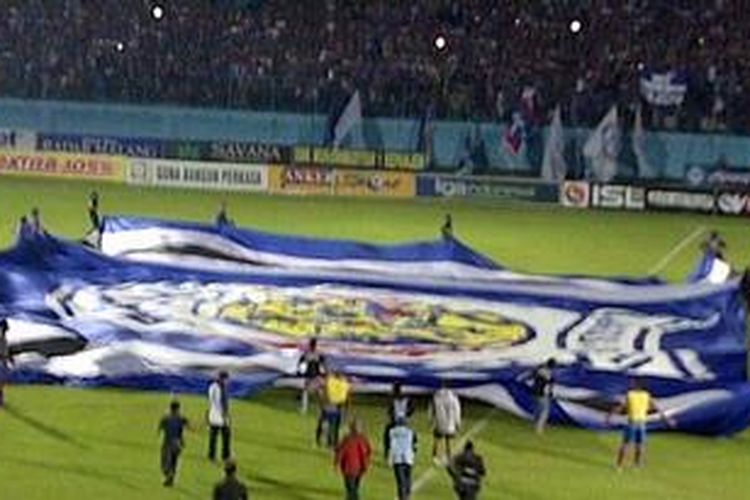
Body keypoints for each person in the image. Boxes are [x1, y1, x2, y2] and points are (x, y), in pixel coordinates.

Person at [606, 378, 676, 469]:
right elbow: (657, 409)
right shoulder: (646, 395)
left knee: (627, 444)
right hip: (641, 422)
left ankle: (620, 465)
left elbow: (621, 407)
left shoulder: (631, 394)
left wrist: (609, 416)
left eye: (634, 383)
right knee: (639, 444)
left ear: (636, 385)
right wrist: (667, 420)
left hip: (633, 422)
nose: (632, 384)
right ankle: (635, 465)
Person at [335, 418, 372, 500]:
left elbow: (340, 452)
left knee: (351, 489)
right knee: (354, 488)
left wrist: (337, 463)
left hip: (349, 468)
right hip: (358, 468)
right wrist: (366, 465)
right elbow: (368, 452)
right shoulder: (363, 439)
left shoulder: (347, 439)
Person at [316, 368, 351, 448]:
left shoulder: (330, 381)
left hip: (330, 404)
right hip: (337, 405)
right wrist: (347, 407)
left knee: (326, 423)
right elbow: (348, 396)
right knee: (333, 425)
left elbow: (320, 388)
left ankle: (324, 440)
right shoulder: (344, 383)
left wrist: (320, 399)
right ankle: (331, 442)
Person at [157, 400, 189, 487]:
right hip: (178, 443)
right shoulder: (181, 418)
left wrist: (159, 434)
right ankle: (171, 480)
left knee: (165, 462)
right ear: (178, 408)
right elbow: (190, 427)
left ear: (170, 408)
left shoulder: (165, 418)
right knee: (174, 462)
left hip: (167, 443)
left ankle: (168, 476)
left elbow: (160, 429)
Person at [430, 380, 461, 464]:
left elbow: (432, 409)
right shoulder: (454, 396)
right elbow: (457, 410)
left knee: (437, 439)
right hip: (450, 422)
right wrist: (458, 423)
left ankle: (435, 456)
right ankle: (448, 456)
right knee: (448, 441)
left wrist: (431, 421)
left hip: (440, 421)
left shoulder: (436, 395)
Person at [386, 417, 417, 500]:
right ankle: (407, 495)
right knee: (408, 478)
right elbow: (414, 446)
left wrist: (389, 459)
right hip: (408, 457)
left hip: (397, 458)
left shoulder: (392, 432)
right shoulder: (411, 432)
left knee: (400, 481)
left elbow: (391, 447)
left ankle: (403, 497)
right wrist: (413, 455)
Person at [382, 382, 414, 459]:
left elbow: (390, 410)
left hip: (395, 422)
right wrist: (407, 414)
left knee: (387, 436)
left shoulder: (393, 398)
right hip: (404, 422)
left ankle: (387, 452)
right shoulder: (406, 398)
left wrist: (391, 414)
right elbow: (412, 407)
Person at [297, 337, 326, 414]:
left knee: (306, 391)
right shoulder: (318, 354)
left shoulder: (307, 354)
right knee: (319, 393)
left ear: (310, 345)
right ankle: (321, 410)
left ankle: (304, 409)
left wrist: (300, 371)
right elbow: (323, 365)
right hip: (317, 375)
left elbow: (300, 363)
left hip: (310, 375)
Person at [208, 371, 232, 461]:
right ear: (223, 378)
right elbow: (213, 400)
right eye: (227, 379)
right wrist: (222, 412)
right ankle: (212, 455)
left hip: (223, 415)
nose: (228, 381)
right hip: (216, 414)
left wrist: (226, 412)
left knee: (226, 435)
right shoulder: (214, 387)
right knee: (214, 436)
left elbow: (225, 401)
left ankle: (225, 455)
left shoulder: (223, 387)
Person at [531, 358, 556, 434]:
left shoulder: (539, 370)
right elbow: (549, 383)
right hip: (542, 393)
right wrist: (550, 393)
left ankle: (537, 425)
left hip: (534, 392)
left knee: (537, 410)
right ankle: (539, 429)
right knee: (545, 411)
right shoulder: (548, 373)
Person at [0, 318, 12, 408]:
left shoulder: (4, 339)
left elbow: (6, 351)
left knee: (2, 382)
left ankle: (1, 400)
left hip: (3, 362)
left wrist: (9, 358)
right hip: (1, 362)